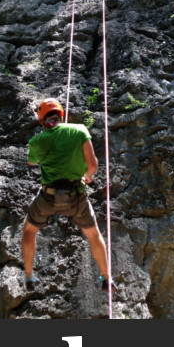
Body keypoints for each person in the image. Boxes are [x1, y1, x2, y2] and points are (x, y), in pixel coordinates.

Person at [21, 98, 112, 291]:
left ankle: (29, 277)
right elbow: (93, 166)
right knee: (94, 235)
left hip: (48, 198)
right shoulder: (79, 130)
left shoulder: (38, 141)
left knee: (29, 230)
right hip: (76, 197)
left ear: (41, 120)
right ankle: (106, 278)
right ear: (61, 114)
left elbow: (31, 162)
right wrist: (88, 176)